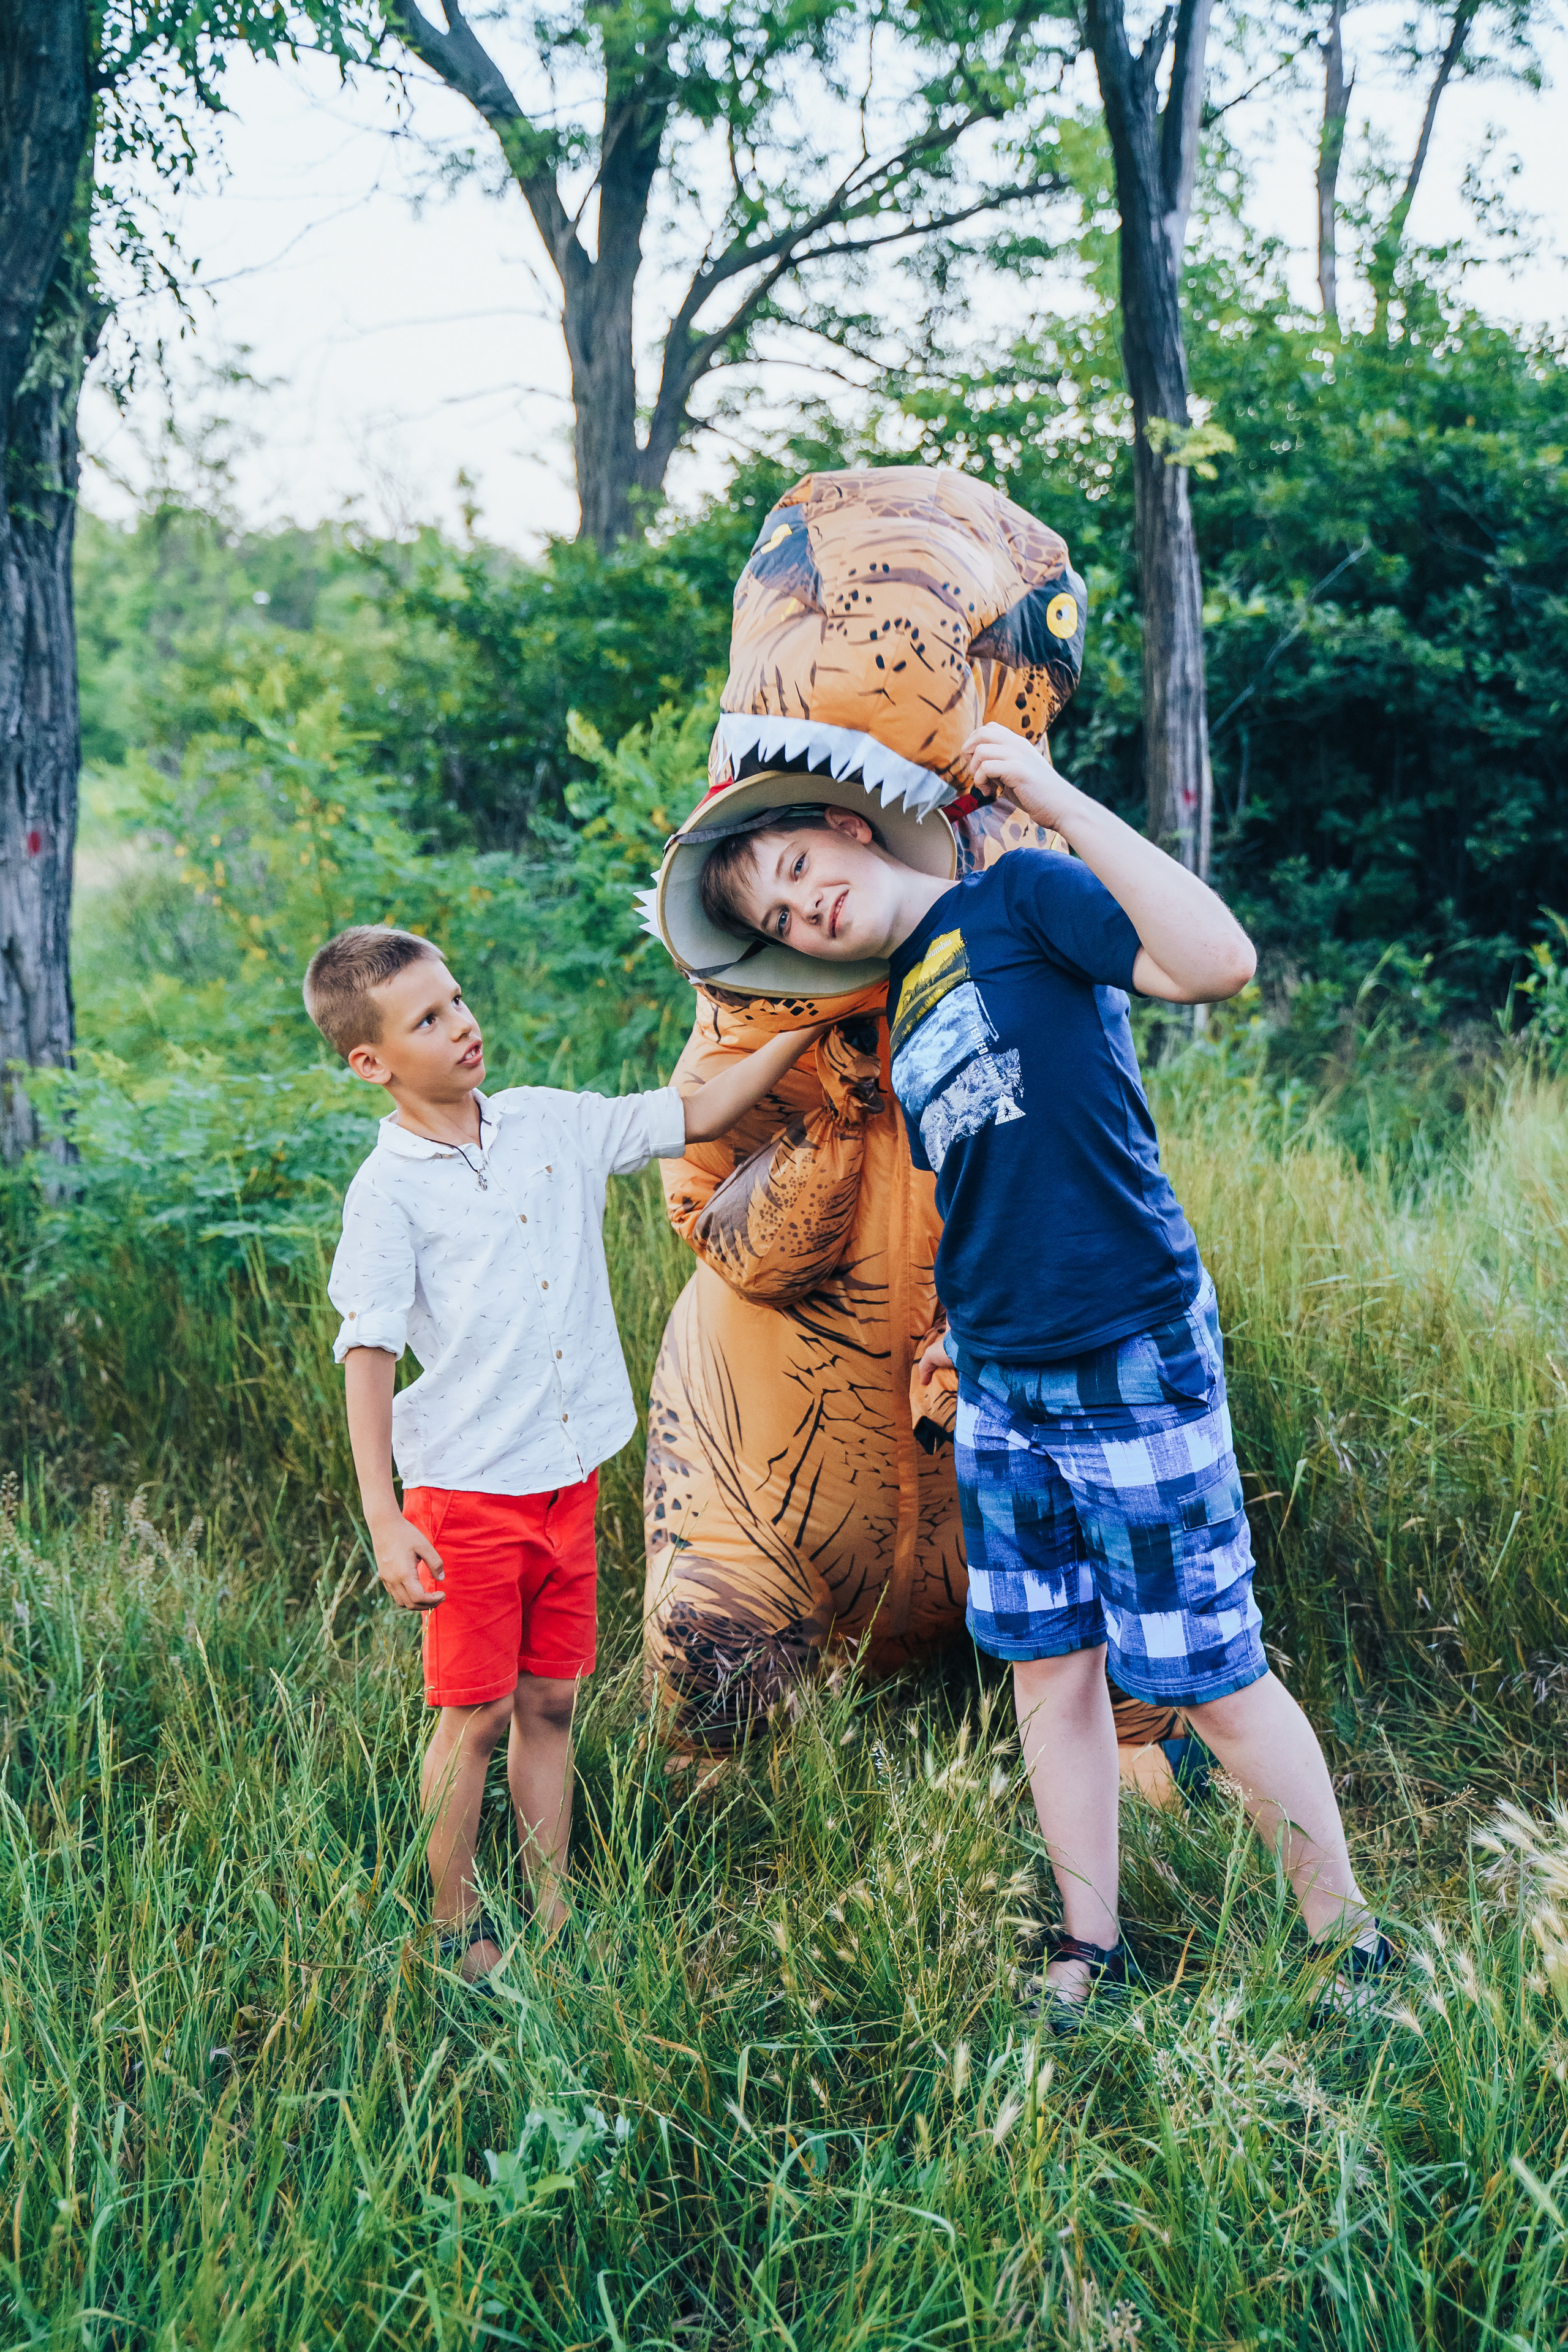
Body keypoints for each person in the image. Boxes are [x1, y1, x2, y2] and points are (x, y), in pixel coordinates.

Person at [696, 728, 1396, 2030]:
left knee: (1207, 1673)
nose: (805, 905)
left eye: (798, 864)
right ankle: (1092, 1945)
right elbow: (977, 1176)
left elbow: (1216, 963)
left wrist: (1052, 796)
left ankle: (1344, 1941)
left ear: (849, 828)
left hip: (1126, 1345)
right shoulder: (898, 994)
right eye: (780, 913)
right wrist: (955, 1333)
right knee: (1049, 1670)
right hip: (1004, 1379)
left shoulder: (1018, 893)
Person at [304, 924, 823, 1982]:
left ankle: (553, 1908)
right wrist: (383, 1517)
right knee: (474, 1718)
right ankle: (454, 1929)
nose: (461, 1026)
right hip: (466, 1495)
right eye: (428, 1020)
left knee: (550, 1706)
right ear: (371, 1061)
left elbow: (698, 1110)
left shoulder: (550, 1124)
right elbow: (367, 1348)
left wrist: (812, 1026)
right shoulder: (389, 1188)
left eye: (458, 1000)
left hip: (568, 1479)